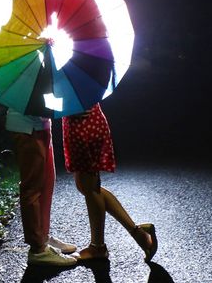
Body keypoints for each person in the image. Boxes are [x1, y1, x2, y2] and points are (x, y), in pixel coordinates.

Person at [62, 102, 158, 261]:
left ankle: (97, 247)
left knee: (91, 188)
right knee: (87, 187)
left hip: (83, 124)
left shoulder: (70, 77)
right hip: (80, 121)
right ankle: (139, 234)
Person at [7, 109, 78, 267]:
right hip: (27, 128)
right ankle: (38, 249)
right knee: (32, 187)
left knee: (47, 183)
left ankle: (43, 236)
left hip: (42, 125)